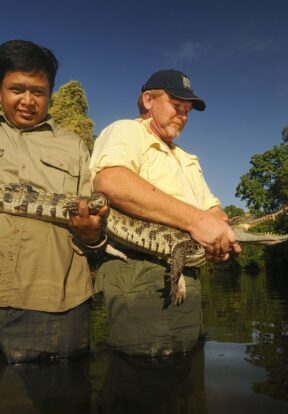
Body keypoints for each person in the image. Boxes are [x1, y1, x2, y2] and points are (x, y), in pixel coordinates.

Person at [90, 69, 241, 356]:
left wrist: (221, 233)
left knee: (187, 380)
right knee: (150, 375)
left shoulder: (186, 158)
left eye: (187, 110)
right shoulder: (127, 130)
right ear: (148, 100)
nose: (183, 115)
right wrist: (198, 222)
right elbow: (110, 183)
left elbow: (213, 209)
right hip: (143, 273)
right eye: (176, 105)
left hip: (186, 274)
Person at [0, 39, 107, 363]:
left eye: (39, 92)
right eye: (17, 89)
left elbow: (97, 234)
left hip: (55, 307)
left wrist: (91, 233)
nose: (28, 101)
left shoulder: (74, 146)